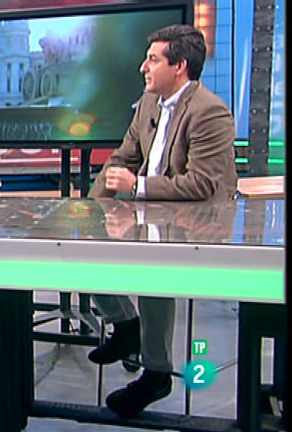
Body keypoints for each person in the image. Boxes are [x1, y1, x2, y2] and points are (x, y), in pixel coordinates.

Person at [87, 24, 237, 417]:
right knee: (80, 249)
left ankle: (156, 373)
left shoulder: (210, 112)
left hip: (195, 223)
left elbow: (203, 184)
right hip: (149, 213)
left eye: (153, 60)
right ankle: (125, 325)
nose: (143, 67)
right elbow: (122, 158)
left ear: (180, 66)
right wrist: (88, 211)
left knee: (154, 266)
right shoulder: (149, 102)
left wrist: (136, 186)